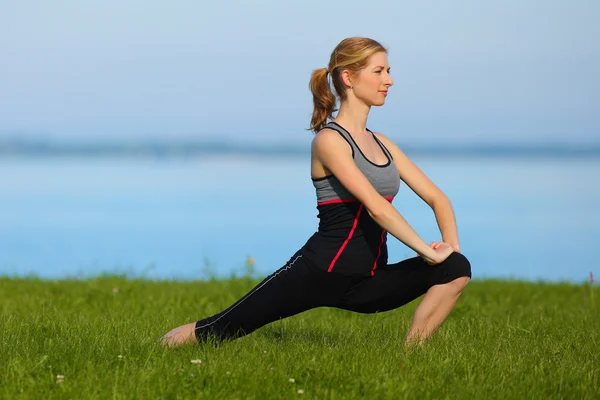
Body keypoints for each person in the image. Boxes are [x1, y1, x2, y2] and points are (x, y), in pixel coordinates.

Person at [160, 37, 471, 348]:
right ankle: (159, 349)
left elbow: (437, 198)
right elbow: (377, 207)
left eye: (388, 71)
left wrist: (449, 249)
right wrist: (428, 252)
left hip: (368, 280)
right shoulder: (329, 141)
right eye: (379, 71)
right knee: (220, 328)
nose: (389, 80)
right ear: (349, 78)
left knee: (457, 268)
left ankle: (412, 356)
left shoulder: (383, 143)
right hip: (318, 273)